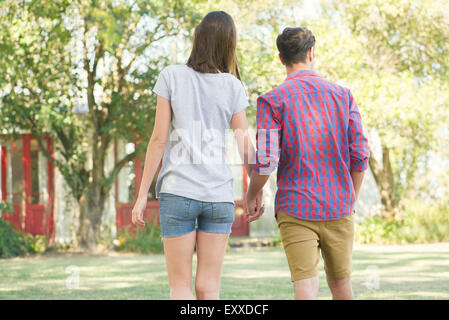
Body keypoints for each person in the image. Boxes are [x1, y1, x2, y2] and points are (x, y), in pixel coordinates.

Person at [131, 11, 262, 300]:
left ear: (198, 38)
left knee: (180, 288)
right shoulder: (232, 85)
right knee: (208, 287)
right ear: (229, 44)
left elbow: (158, 140)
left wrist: (142, 195)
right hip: (219, 197)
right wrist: (256, 189)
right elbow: (244, 143)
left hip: (178, 192)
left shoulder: (171, 76)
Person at [246, 27, 369, 300]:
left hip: (296, 209)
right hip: (339, 207)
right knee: (342, 286)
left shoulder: (272, 100)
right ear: (311, 53)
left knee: (305, 289)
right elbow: (360, 155)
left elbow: (266, 160)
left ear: (281, 58)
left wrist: (251, 193)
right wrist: (350, 198)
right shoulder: (343, 96)